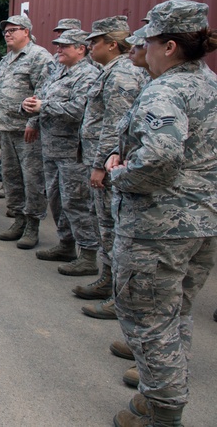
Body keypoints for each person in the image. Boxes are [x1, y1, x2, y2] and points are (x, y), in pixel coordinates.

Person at [106, 0, 217, 427]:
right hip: (201, 222)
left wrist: (120, 174)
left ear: (169, 46)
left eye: (148, 40)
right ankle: (162, 393)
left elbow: (159, 159)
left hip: (160, 227)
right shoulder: (207, 83)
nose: (143, 49)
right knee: (176, 313)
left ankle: (164, 414)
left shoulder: (165, 90)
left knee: (149, 321)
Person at [73, 16, 147, 311]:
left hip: (108, 164)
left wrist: (100, 165)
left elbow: (115, 125)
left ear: (112, 44)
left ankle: (120, 296)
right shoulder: (110, 71)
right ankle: (107, 279)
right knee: (104, 225)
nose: (89, 45)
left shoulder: (122, 74)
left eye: (95, 41)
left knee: (111, 228)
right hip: (100, 158)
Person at [22, 29, 99, 270]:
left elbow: (79, 110)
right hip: (50, 148)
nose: (59, 49)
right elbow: (41, 99)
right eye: (58, 45)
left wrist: (43, 106)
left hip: (72, 152)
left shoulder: (88, 75)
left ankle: (87, 254)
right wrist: (28, 106)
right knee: (56, 200)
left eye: (65, 46)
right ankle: (66, 244)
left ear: (81, 49)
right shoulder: (58, 72)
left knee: (76, 203)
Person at [0, 14, 54, 249]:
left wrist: (33, 123)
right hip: (6, 129)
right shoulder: (6, 61)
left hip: (27, 132)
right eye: (5, 31)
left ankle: (32, 226)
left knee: (32, 179)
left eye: (13, 30)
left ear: (26, 31)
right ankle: (17, 219)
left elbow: (44, 93)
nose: (8, 34)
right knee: (11, 178)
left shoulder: (39, 57)